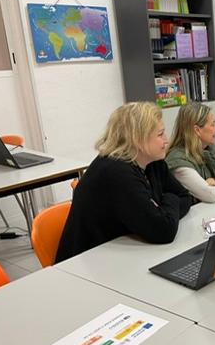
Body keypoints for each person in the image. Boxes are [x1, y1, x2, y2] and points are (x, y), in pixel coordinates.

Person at [55, 102, 194, 263]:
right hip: (85, 266)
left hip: (121, 254)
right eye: (160, 134)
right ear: (138, 139)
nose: (167, 140)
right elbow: (163, 231)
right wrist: (170, 201)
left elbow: (185, 197)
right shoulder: (116, 172)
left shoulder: (152, 162)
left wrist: (164, 208)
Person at [166, 103, 215, 203]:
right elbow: (209, 194)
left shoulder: (211, 148)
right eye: (212, 125)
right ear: (197, 130)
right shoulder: (178, 160)